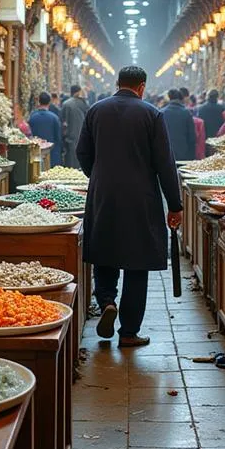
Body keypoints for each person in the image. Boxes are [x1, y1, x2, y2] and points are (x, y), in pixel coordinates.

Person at [77, 65, 182, 347]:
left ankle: (107, 301)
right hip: (141, 198)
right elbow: (165, 163)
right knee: (138, 263)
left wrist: (98, 175)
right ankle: (129, 332)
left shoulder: (96, 111)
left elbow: (82, 152)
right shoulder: (152, 114)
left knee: (105, 251)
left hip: (104, 195)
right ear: (142, 87)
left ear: (117, 83)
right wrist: (175, 204)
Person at [161, 88, 196, 162]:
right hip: (184, 155)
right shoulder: (186, 113)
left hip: (165, 154)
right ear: (181, 98)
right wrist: (192, 157)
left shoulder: (161, 113)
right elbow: (192, 137)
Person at [28, 93, 62, 166]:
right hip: (51, 154)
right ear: (49, 102)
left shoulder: (32, 117)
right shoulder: (54, 118)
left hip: (35, 153)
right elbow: (58, 137)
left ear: (39, 101)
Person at [61, 84, 89, 167]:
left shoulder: (66, 104)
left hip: (70, 136)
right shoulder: (84, 104)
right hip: (82, 135)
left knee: (70, 161)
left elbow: (64, 122)